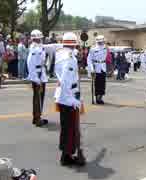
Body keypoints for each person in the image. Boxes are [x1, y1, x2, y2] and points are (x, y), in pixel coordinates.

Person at [54, 32, 86, 166]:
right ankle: (66, 156)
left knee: (67, 127)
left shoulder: (60, 54)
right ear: (73, 44)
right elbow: (67, 81)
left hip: (63, 95)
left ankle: (66, 154)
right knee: (71, 128)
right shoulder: (69, 57)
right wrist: (73, 101)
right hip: (68, 97)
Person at [26, 29, 49, 127]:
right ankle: (37, 118)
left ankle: (36, 117)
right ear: (35, 39)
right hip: (37, 75)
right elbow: (30, 64)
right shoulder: (34, 49)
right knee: (38, 97)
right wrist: (36, 79)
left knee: (39, 97)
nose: (40, 40)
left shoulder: (39, 47)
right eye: (38, 39)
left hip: (41, 74)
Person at [87, 35, 111, 105]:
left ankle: (100, 97)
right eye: (100, 42)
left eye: (102, 42)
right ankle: (97, 97)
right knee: (97, 84)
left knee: (103, 84)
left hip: (103, 67)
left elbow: (108, 58)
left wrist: (109, 68)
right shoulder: (93, 49)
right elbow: (89, 59)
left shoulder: (106, 48)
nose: (101, 43)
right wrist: (91, 69)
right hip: (96, 67)